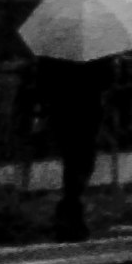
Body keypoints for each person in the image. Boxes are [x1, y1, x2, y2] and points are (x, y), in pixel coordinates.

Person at [18, 54, 115, 241]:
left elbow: (42, 82)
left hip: (61, 109)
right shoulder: (96, 53)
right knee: (83, 158)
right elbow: (106, 81)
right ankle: (71, 208)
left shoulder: (52, 54)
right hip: (88, 109)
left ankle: (69, 209)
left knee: (70, 155)